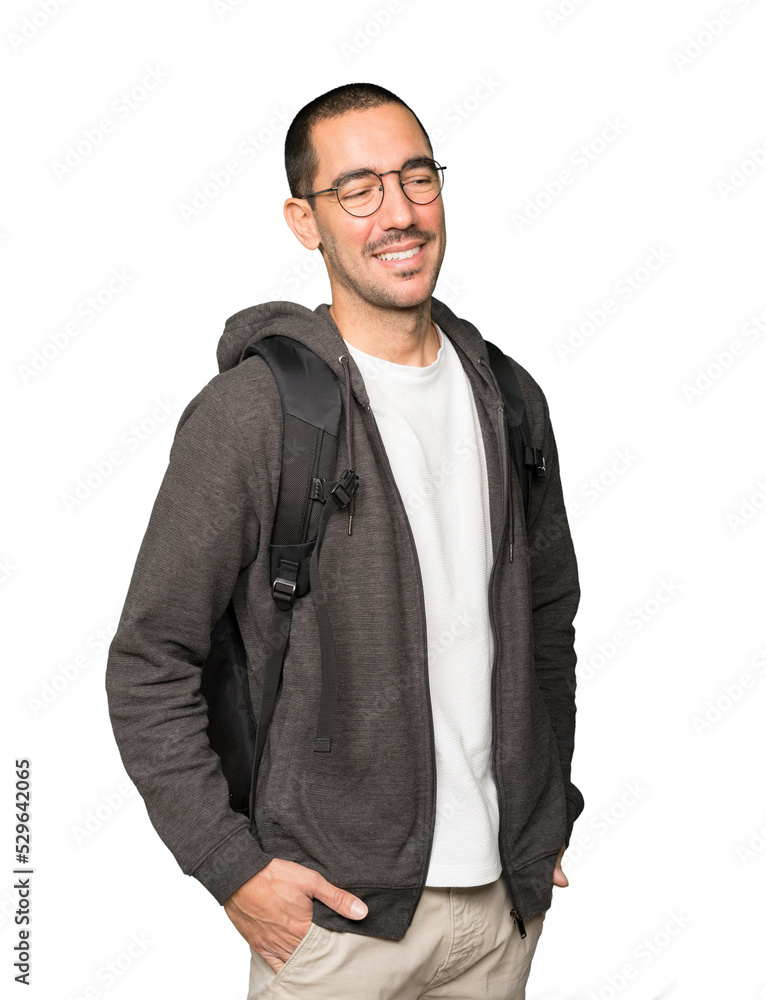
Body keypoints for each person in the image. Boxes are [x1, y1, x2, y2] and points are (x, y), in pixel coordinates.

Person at [105, 82, 584, 999]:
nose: (397, 214)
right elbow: (148, 664)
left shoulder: (511, 399)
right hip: (334, 929)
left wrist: (543, 815)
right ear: (305, 220)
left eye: (416, 178)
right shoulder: (252, 416)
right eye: (357, 190)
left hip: (500, 919)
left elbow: (547, 623)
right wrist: (229, 868)